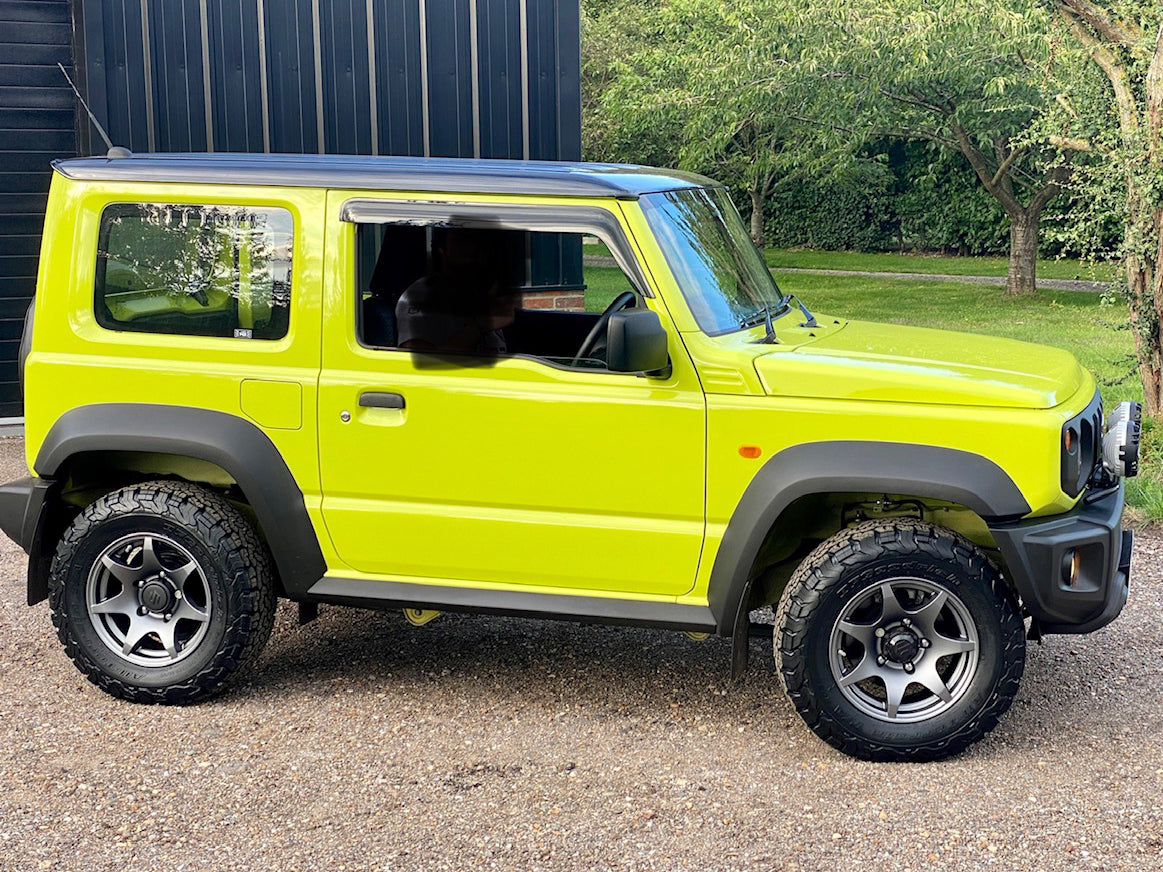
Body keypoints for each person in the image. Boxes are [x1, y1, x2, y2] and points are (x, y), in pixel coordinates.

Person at [395, 227, 518, 354]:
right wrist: (480, 326)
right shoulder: (419, 296)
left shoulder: (482, 292)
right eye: (462, 244)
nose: (473, 251)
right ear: (442, 252)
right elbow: (416, 364)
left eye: (479, 244)